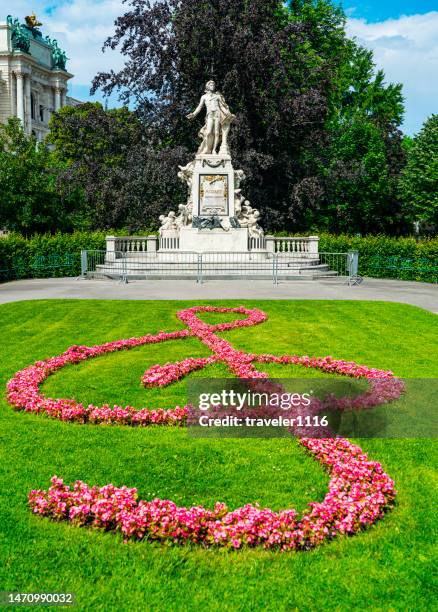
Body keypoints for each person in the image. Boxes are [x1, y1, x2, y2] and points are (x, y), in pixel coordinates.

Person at [187, 80, 235, 155]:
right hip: (209, 115)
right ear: (207, 86)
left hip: (217, 114)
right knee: (209, 132)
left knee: (216, 133)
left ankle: (214, 150)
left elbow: (222, 107)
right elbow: (199, 107)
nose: (213, 86)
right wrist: (193, 114)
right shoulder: (204, 97)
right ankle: (207, 148)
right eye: (211, 85)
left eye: (213, 85)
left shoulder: (217, 96)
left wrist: (228, 113)